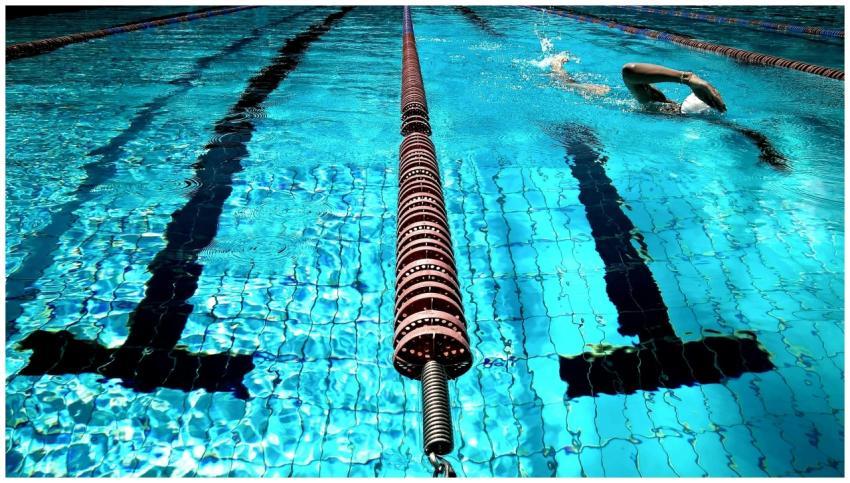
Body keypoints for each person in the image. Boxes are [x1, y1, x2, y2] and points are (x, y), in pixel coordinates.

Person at [621, 62, 726, 114]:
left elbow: (629, 70)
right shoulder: (659, 102)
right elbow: (629, 72)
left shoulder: (654, 104)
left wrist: (687, 78)